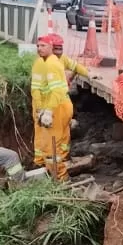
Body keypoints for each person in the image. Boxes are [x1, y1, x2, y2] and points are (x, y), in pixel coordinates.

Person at [31, 33, 94, 181]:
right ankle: (49, 168)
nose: (59, 52)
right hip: (54, 106)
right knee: (52, 141)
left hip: (56, 107)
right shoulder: (47, 63)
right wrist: (43, 110)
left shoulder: (52, 63)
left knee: (55, 142)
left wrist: (89, 74)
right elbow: (41, 89)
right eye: (57, 48)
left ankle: (58, 173)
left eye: (60, 48)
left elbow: (56, 89)